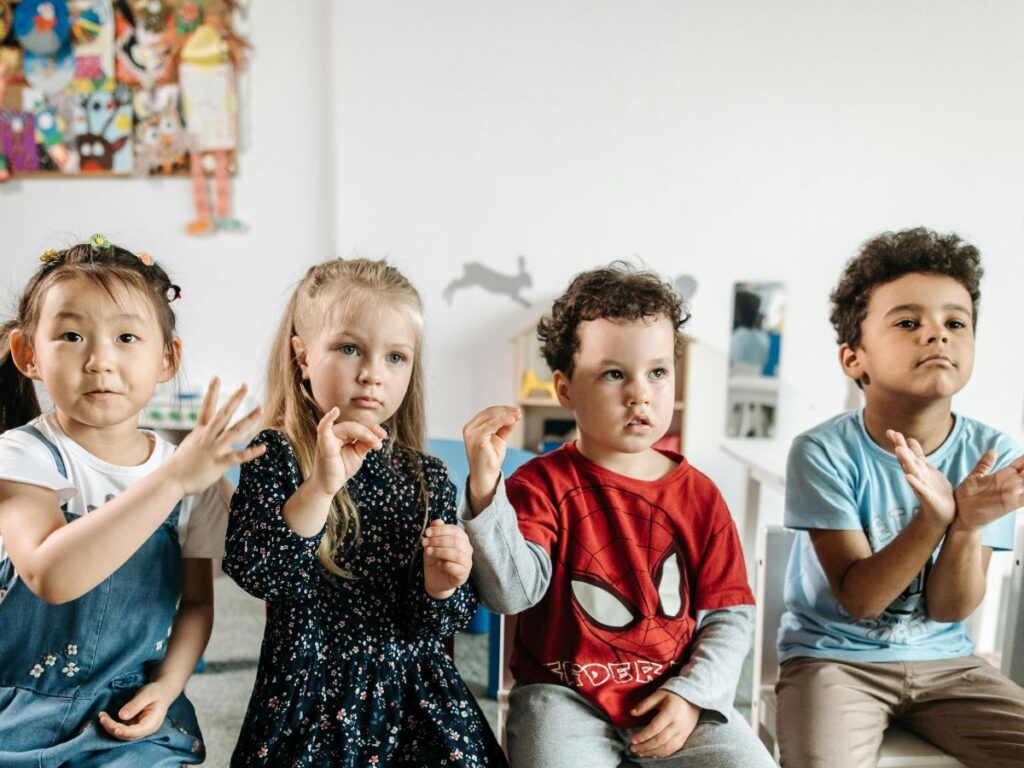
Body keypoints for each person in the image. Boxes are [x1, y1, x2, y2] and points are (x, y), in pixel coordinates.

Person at [455, 263, 775, 767]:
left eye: (657, 372)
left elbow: (730, 616)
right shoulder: (538, 485)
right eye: (613, 374)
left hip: (674, 694)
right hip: (562, 698)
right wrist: (485, 490)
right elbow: (510, 594)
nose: (639, 393)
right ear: (565, 390)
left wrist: (693, 695)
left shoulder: (701, 496)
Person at [223, 258, 506, 767]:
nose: (373, 373)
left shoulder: (427, 475)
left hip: (413, 692)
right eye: (349, 348)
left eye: (396, 357)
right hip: (308, 691)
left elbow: (437, 622)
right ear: (302, 356)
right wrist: (321, 487)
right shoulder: (276, 454)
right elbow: (261, 572)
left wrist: (443, 582)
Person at [0, 236, 263, 767]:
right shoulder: (20, 455)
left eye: (126, 337)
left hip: (127, 710)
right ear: (28, 354)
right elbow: (51, 576)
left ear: (166, 359)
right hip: (18, 703)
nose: (100, 360)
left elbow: (195, 602)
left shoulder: (193, 478)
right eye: (72, 336)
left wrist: (168, 686)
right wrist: (170, 482)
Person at [776, 227, 1024, 767]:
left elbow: (949, 610)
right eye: (909, 322)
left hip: (950, 664)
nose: (937, 335)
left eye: (956, 322)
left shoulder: (992, 452)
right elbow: (860, 600)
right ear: (853, 359)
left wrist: (966, 525)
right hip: (832, 661)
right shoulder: (821, 451)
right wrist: (933, 519)